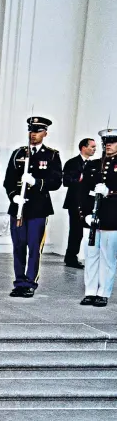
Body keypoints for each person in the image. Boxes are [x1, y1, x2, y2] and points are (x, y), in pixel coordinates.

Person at [3, 116, 62, 298]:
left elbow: (56, 182)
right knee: (18, 246)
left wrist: (37, 182)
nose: (33, 134)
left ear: (45, 133)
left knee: (34, 247)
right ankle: (19, 281)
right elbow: (8, 181)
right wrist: (14, 197)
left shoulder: (51, 155)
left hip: (38, 208)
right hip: (18, 208)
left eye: (37, 131)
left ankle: (30, 282)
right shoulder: (18, 153)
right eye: (31, 131)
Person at [80, 128, 117, 307]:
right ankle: (90, 291)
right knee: (91, 256)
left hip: (112, 219)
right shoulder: (93, 165)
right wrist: (85, 214)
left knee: (108, 258)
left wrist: (110, 192)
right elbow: (83, 191)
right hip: (92, 219)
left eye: (112, 141)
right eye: (106, 142)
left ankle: (103, 293)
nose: (108, 144)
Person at [63, 138, 96, 268]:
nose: (94, 149)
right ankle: (71, 257)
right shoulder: (72, 163)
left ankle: (91, 258)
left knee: (91, 231)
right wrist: (81, 179)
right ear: (83, 147)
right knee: (76, 231)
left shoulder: (94, 164)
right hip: (74, 201)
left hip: (89, 202)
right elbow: (66, 181)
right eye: (92, 146)